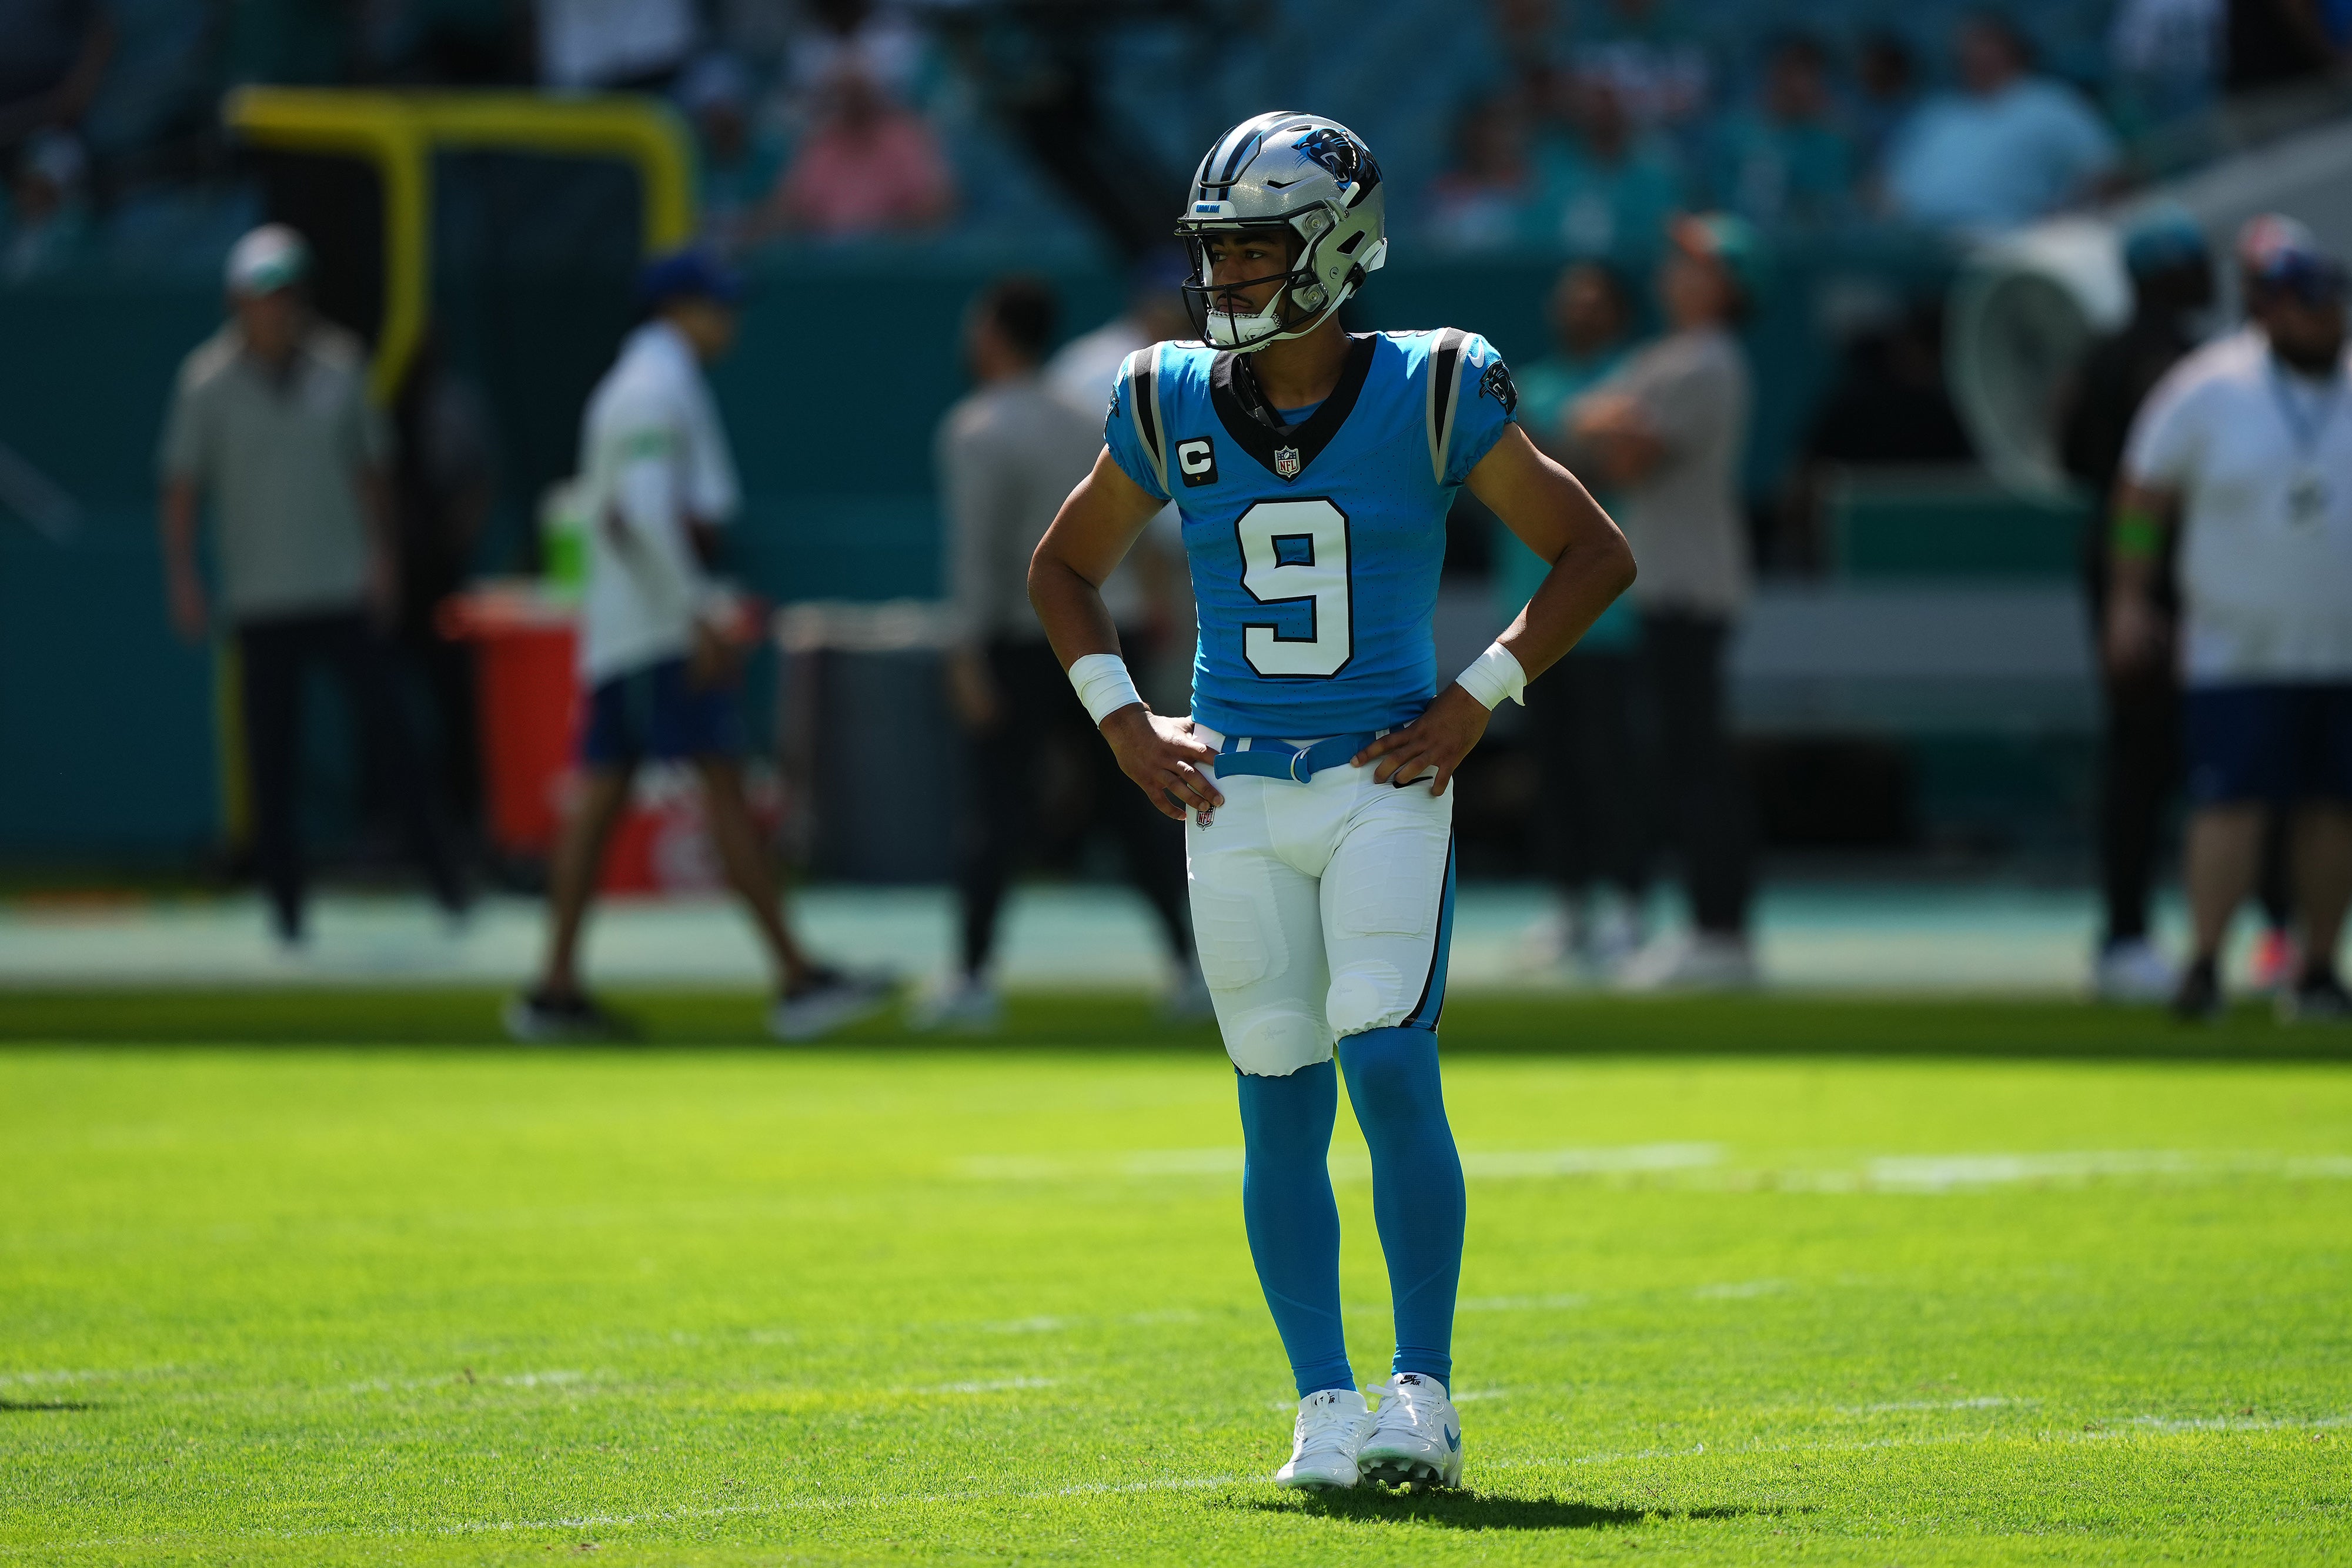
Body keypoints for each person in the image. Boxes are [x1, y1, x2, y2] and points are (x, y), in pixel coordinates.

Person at [1028, 112, 1635, 1492]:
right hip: (1230, 792)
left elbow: (1592, 553)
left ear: (1333, 248)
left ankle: (1420, 1391)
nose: (1226, 279)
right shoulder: (1165, 394)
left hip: (1380, 783)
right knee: (1274, 1098)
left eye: (1250, 251)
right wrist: (1121, 722)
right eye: (1217, 252)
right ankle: (1322, 1405)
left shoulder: (1432, 387)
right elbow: (1059, 572)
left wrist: (1479, 692)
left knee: (1386, 1063)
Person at [506, 250, 890, 1042]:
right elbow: (643, 514)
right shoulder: (653, 389)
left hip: (634, 625)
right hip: (657, 630)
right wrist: (699, 614)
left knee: (612, 794)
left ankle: (555, 986)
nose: (728, 321)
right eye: (714, 306)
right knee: (716, 786)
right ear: (676, 310)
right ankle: (795, 977)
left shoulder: (642, 384)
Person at [158, 225, 466, 950]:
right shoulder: (204, 382)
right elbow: (180, 488)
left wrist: (384, 559)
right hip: (260, 599)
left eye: (288, 294)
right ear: (239, 301)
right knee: (271, 760)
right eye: (265, 296)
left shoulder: (341, 367)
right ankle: (285, 909)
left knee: (395, 740)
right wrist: (183, 578)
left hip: (340, 588)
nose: (277, 309)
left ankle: (448, 886)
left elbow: (371, 473)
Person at [926, 276, 1203, 1029]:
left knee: (994, 811)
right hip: (1107, 634)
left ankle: (973, 978)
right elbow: (1137, 527)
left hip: (1023, 640)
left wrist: (964, 653)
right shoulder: (1089, 418)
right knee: (1134, 802)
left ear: (990, 331)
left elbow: (976, 558)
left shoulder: (977, 427)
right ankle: (1189, 967)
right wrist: (1153, 608)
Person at [2109, 216, 2352, 1021]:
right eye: (2311, 306)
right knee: (2229, 804)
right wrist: (2131, 595)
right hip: (2236, 639)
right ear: (2272, 310)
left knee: (2333, 807)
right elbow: (2143, 497)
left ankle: (2317, 966)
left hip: (2341, 642)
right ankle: (2205, 961)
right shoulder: (2208, 387)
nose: (2327, 320)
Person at [1569, 213, 1759, 989]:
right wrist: (1605, 418)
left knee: (1695, 763)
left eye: (1697, 266)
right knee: (1680, 760)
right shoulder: (1674, 358)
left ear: (1727, 287)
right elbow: (1586, 419)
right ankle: (1713, 929)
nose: (1675, 274)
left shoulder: (1705, 362)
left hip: (1690, 585)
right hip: (1669, 589)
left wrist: (1609, 419)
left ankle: (1721, 935)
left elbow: (1617, 451)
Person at [2059, 205, 2215, 1001]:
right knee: (2163, 755)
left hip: (2119, 564)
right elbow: (2152, 486)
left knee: (2142, 754)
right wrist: (2142, 592)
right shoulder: (2177, 359)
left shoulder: (2098, 354)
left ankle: (2133, 931)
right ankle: (2133, 934)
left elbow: (2065, 456)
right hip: (2159, 573)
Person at [1506, 261, 1650, 965]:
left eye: (1593, 301)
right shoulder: (1531, 385)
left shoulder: (1639, 379)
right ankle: (1569, 910)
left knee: (1613, 768)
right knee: (1555, 771)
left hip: (1608, 618)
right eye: (1570, 301)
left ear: (1618, 313)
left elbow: (1595, 467)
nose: (1579, 312)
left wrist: (1532, 446)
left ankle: (1629, 905)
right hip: (1532, 620)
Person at [1882, 12, 2120, 235]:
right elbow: (1887, 187)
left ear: (2012, 50)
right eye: (1968, 48)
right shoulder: (1938, 113)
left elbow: (2106, 171)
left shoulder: (2050, 104)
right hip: (1914, 233)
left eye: (1985, 45)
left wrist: (2062, 222)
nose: (1976, 56)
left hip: (1994, 238)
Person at [759, 68, 953, 239]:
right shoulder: (822, 142)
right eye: (844, 95)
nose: (852, 101)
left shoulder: (903, 137)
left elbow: (937, 204)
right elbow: (790, 205)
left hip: (891, 255)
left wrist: (887, 229)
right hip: (828, 257)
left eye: (858, 94)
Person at [1707, 33, 1855, 230]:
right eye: (1793, 72)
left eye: (1810, 73)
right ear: (1773, 73)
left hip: (1808, 246)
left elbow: (1832, 207)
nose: (1801, 84)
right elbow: (1712, 201)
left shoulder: (1830, 142)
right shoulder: (1734, 133)